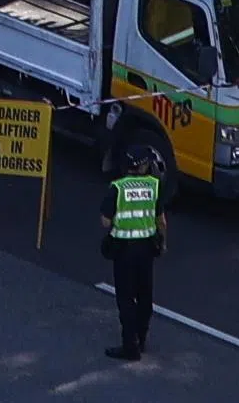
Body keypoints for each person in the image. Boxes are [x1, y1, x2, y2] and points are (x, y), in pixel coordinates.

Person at [100, 102, 172, 359]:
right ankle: (141, 338)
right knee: (144, 297)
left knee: (125, 299)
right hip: (147, 250)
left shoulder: (117, 188)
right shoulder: (154, 186)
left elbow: (106, 222)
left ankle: (129, 346)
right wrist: (162, 244)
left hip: (123, 251)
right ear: (144, 166)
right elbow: (161, 220)